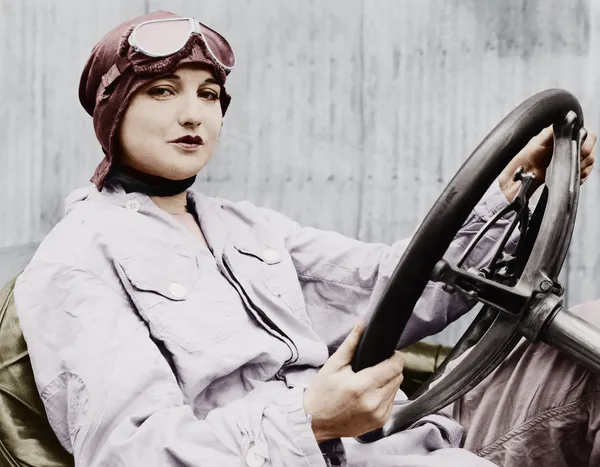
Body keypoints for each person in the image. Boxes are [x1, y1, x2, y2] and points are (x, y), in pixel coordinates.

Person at [13, 10, 597, 467]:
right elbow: (127, 453)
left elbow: (400, 286)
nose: (193, 114)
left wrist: (512, 186)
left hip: (410, 431)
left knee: (591, 329)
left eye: (208, 94)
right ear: (113, 112)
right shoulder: (76, 261)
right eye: (163, 91)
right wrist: (309, 419)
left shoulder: (248, 228)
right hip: (321, 452)